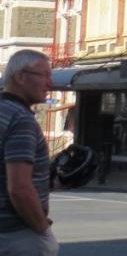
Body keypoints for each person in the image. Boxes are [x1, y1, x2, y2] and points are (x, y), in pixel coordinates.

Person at [0, 49, 57, 255]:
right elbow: (19, 188)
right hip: (16, 236)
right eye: (44, 75)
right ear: (20, 77)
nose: (49, 83)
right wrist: (43, 231)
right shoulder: (21, 119)